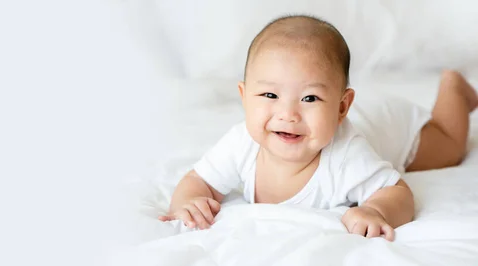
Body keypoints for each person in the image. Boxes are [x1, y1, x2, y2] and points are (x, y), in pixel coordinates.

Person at [158, 15, 477, 241]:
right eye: (270, 95)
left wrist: (376, 211)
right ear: (244, 97)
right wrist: (189, 201)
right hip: (370, 113)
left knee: (449, 149)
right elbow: (198, 180)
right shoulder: (241, 143)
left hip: (389, 123)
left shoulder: (347, 153)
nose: (288, 113)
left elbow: (398, 193)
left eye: (310, 98)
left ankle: (454, 88)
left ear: (341, 107)